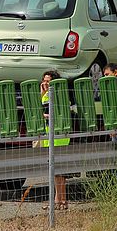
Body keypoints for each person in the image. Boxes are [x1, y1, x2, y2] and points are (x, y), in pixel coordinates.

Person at [40, 69, 69, 210]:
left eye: (48, 81)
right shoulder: (45, 95)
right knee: (55, 171)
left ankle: (59, 200)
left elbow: (57, 114)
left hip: (58, 136)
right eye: (44, 80)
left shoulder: (59, 94)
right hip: (48, 135)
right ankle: (60, 200)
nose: (45, 83)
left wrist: (43, 116)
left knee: (58, 171)